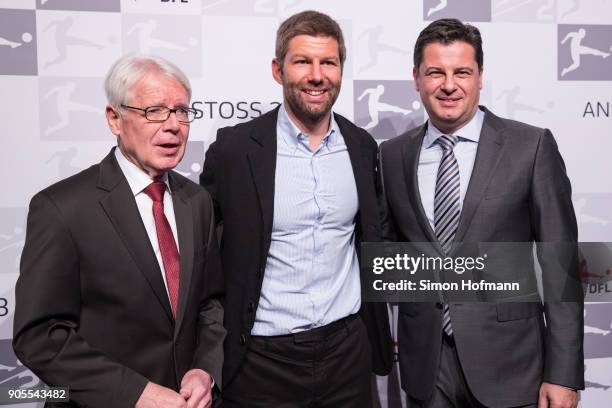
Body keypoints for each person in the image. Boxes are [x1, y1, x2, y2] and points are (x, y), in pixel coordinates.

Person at [378, 19, 584, 408]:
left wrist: (563, 374)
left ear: (480, 77)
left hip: (513, 368)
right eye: (435, 72)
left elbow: (561, 267)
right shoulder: (392, 155)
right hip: (426, 369)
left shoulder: (530, 146)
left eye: (462, 72)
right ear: (416, 78)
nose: (449, 85)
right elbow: (391, 255)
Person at [200, 10, 392, 407]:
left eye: (329, 62)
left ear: (341, 69)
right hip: (261, 359)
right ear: (278, 69)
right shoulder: (234, 151)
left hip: (347, 354)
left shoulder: (362, 147)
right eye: (303, 61)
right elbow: (205, 256)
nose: (317, 75)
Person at [13, 55, 225, 408]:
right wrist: (135, 393)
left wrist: (205, 369)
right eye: (155, 111)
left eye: (182, 111)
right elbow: (39, 337)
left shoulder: (197, 202)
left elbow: (210, 303)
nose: (173, 125)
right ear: (115, 119)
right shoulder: (62, 208)